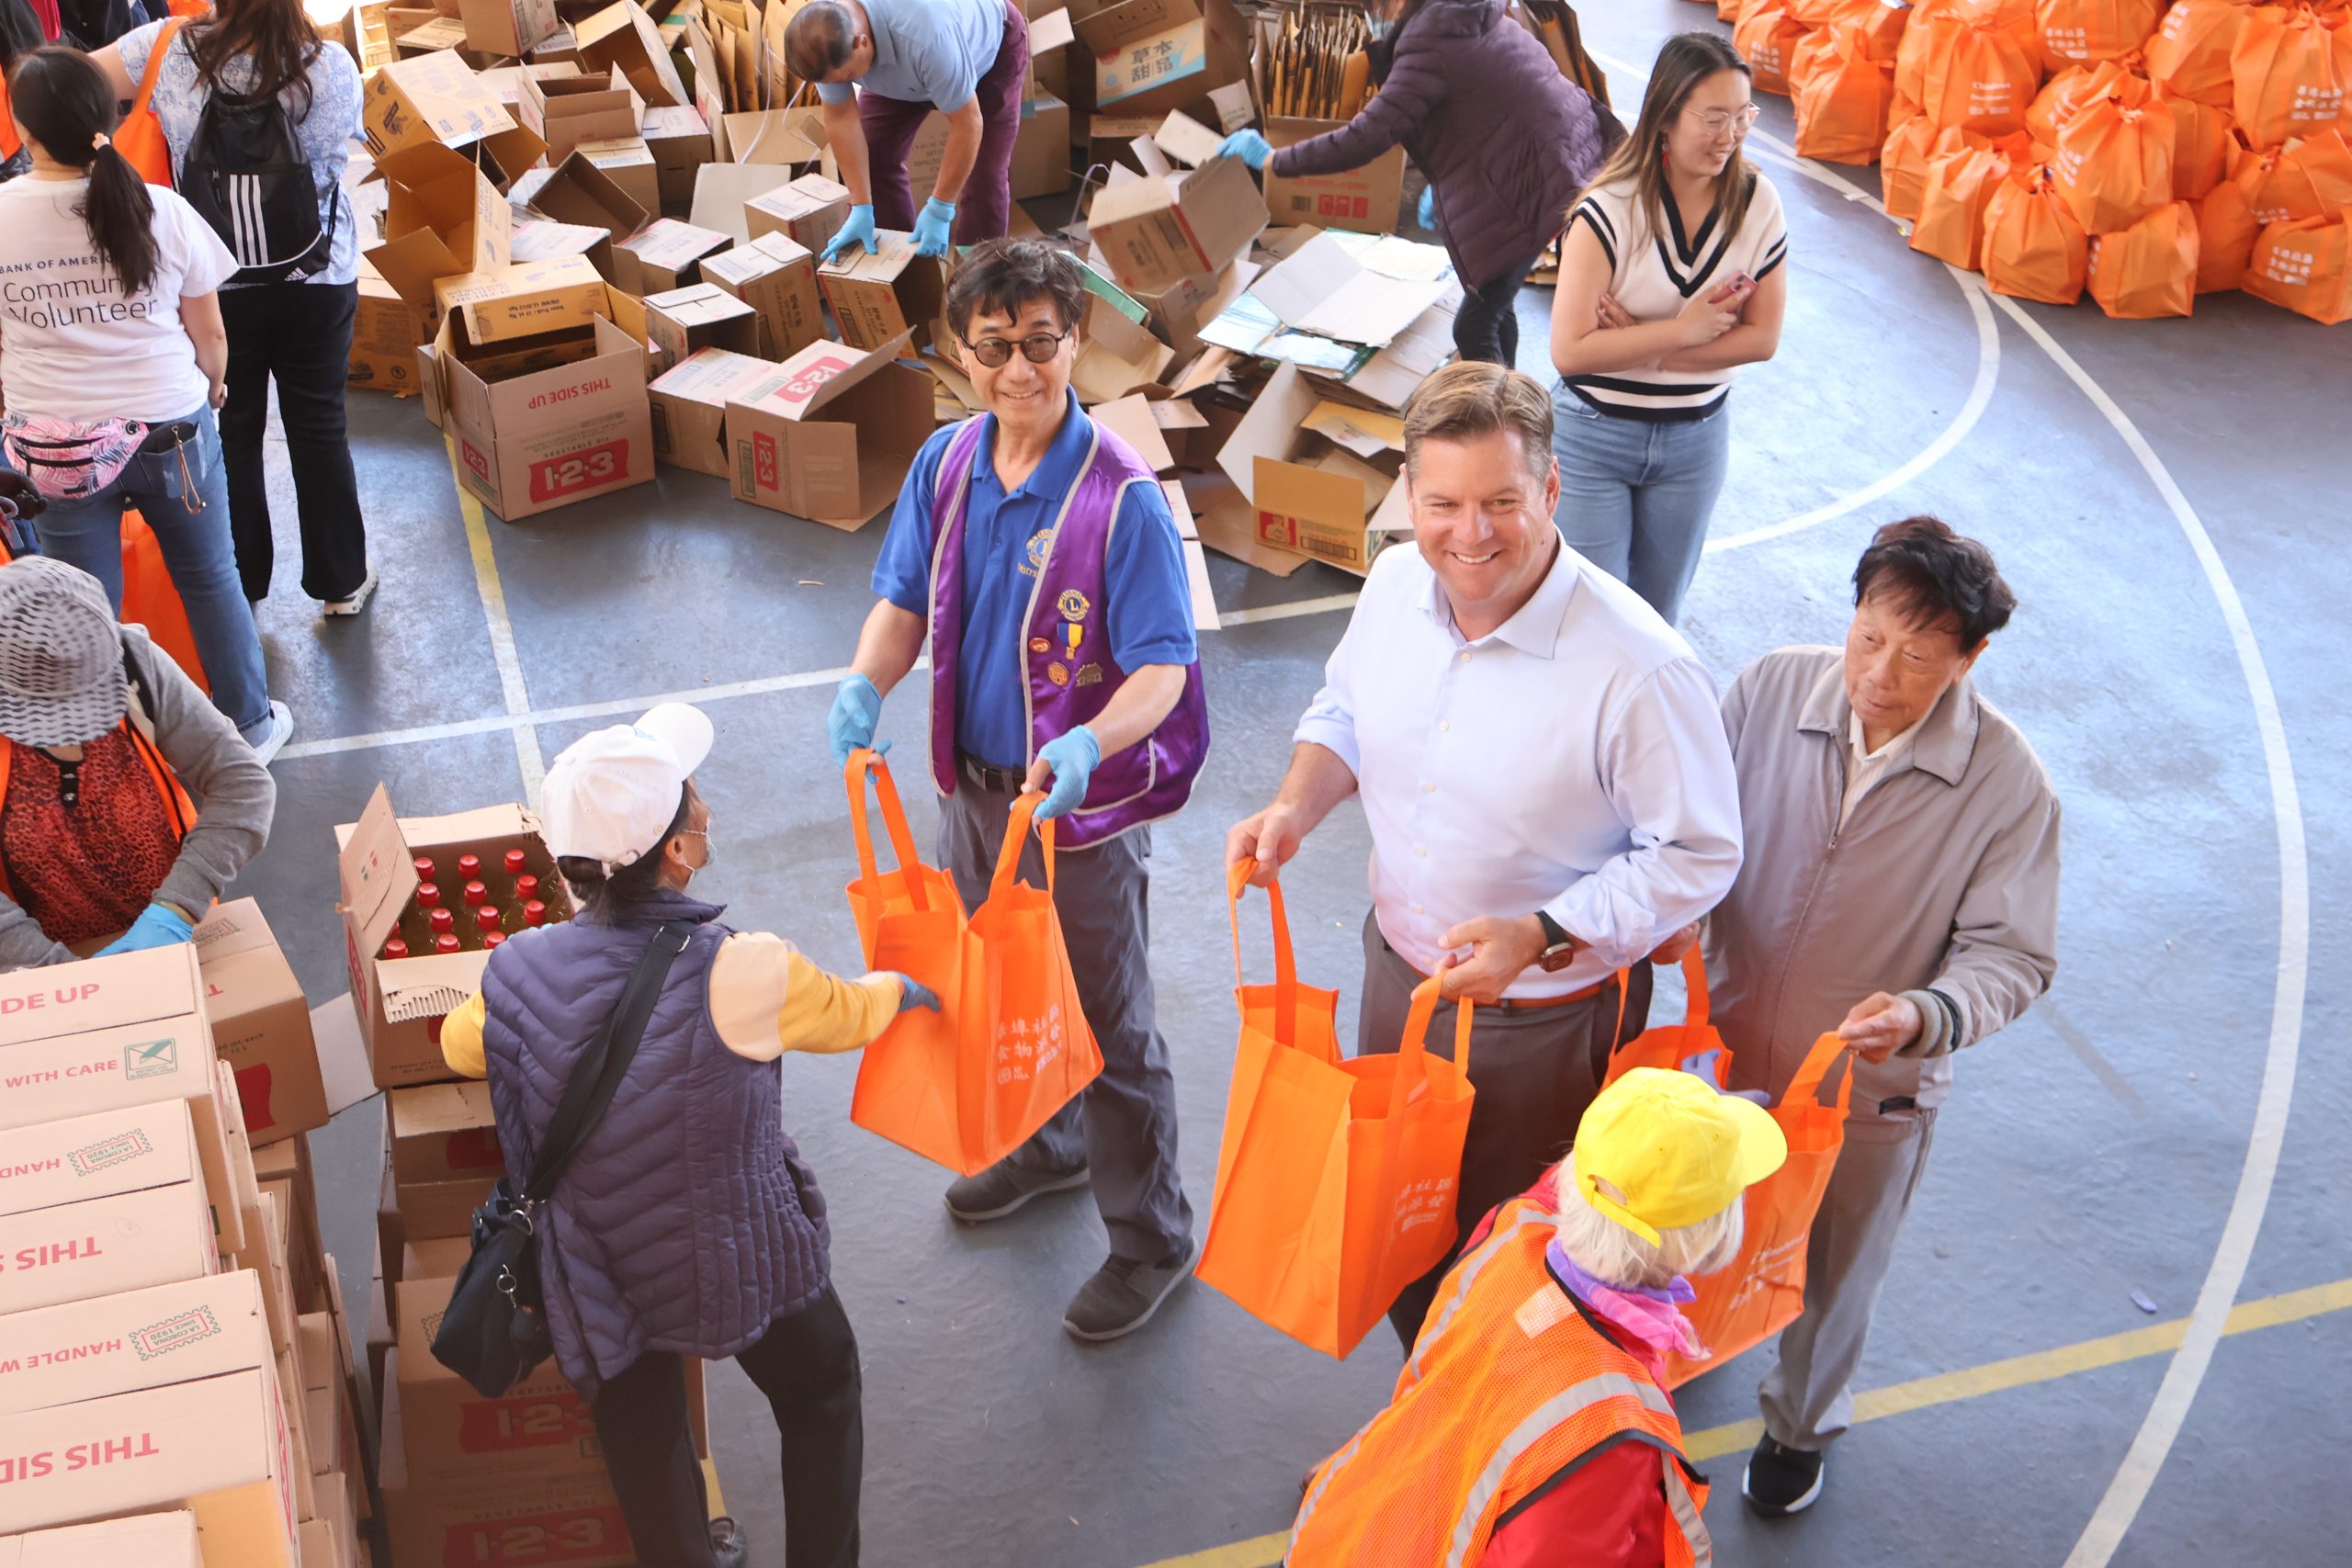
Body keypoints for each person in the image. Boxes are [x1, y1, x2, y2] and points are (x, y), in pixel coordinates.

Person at [1227, 361, 1744, 1351]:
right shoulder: (1389, 585)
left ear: (1550, 493)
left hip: (1538, 1027)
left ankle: (1479, 1465)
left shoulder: (1637, 669)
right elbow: (1343, 709)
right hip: (1399, 978)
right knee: (1400, 1230)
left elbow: (1698, 853)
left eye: (1502, 502)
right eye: (1443, 504)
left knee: (1507, 1261)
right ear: (1408, 498)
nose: (1470, 535)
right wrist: (1295, 805)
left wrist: (1544, 931)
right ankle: (1424, 1425)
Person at [437, 702, 940, 1568]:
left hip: (599, 1273)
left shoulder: (515, 968)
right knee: (822, 1385)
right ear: (677, 849)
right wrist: (903, 987)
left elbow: (457, 1046)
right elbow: (849, 1012)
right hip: (734, 1255)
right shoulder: (743, 965)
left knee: (646, 1445)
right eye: (691, 798)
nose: (704, 807)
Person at [828, 237, 1208, 1342]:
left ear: (1076, 340)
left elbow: (1161, 667)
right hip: (973, 798)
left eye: (1040, 343)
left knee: (1109, 1016)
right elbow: (902, 603)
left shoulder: (1120, 500)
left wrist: (1090, 744)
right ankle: (1053, 1141)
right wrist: (866, 679)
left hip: (1071, 815)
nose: (1019, 371)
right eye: (993, 348)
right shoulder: (946, 466)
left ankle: (1150, 1236)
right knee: (1006, 990)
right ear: (958, 352)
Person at [1700, 518, 2059, 1516]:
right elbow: (1686, 828)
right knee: (1686, 1220)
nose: (1879, 675)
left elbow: (2012, 954)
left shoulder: (2006, 784)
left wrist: (1925, 1011)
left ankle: (1798, 1426)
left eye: (1917, 656)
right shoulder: (1768, 689)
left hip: (1868, 1085)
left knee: (1833, 1270)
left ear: (1969, 658)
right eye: (1869, 637)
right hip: (1717, 1047)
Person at [1286, 1066, 1787, 1565]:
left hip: (1354, 1527)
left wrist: (1664, 1134)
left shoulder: (1512, 1230)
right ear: (1703, 1239)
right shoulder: (1607, 1439)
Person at [0, 46, 288, 759]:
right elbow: (209, 331)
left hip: (51, 446)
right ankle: (250, 727)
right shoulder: (160, 207)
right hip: (171, 430)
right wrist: (214, 384)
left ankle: (108, 751)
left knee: (87, 602)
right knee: (209, 575)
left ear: (23, 130)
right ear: (110, 115)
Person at [97, 0, 371, 615]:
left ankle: (243, 587)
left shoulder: (166, 50)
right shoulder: (331, 65)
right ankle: (340, 584)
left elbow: (68, 82)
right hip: (317, 276)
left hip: (212, 287)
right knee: (320, 426)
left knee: (233, 430)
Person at [1216, 0, 1612, 367]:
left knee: (1473, 327)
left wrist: (1273, 159)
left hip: (1531, 182)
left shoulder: (1429, 40)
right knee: (1493, 306)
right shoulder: (1463, 12)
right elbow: (1485, 107)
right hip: (1557, 155)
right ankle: (1505, 393)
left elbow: (1368, 135)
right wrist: (1453, 183)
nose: (1375, 13)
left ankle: (1498, 421)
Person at [1548, 31, 1789, 626]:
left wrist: (1644, 348)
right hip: (1592, 438)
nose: (1730, 136)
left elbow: (1761, 339)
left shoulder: (1759, 204)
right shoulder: (1608, 210)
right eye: (1713, 118)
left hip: (1694, 439)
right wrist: (1689, 331)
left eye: (1743, 117)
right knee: (1594, 617)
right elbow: (1571, 350)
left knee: (1657, 622)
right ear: (1665, 116)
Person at [0, 554, 274, 971]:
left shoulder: (134, 663)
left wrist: (176, 910)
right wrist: (59, 976)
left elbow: (242, 784)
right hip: (32, 965)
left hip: (175, 932)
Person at [785, 0, 1028, 261]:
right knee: (875, 156)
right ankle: (901, 268)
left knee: (985, 175)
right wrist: (861, 205)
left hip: (987, 56)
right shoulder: (826, 39)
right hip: (905, 67)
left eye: (848, 78)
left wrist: (940, 208)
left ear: (861, 42)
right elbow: (841, 118)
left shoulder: (928, 35)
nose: (843, 86)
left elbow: (967, 123)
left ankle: (981, 284)